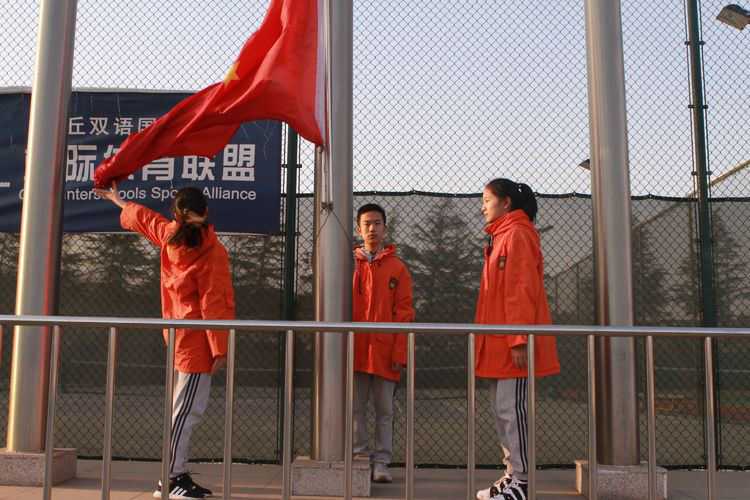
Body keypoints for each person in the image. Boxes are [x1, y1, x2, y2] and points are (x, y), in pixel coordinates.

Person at [95, 185, 235, 500]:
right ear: (206, 212)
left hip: (178, 335)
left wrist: (117, 199)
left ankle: (176, 474)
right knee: (186, 412)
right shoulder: (211, 250)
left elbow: (143, 218)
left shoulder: (169, 236)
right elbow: (214, 302)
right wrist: (220, 347)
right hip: (198, 341)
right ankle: (170, 479)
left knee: (181, 410)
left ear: (176, 214)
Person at [474, 179, 560, 500]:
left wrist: (519, 338)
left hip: (512, 345)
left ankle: (522, 483)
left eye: (487, 199)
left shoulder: (518, 235)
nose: (482, 206)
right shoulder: (502, 236)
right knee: (503, 412)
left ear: (506, 202)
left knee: (513, 413)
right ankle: (512, 476)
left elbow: (521, 290)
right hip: (499, 343)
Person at [352, 203, 415, 483]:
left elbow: (404, 313)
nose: (372, 229)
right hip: (354, 349)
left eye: (377, 223)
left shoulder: (398, 268)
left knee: (385, 410)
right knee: (354, 408)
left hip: (385, 351)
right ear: (359, 229)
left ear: (385, 228)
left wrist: (399, 352)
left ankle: (381, 462)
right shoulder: (348, 265)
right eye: (366, 224)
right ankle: (360, 457)